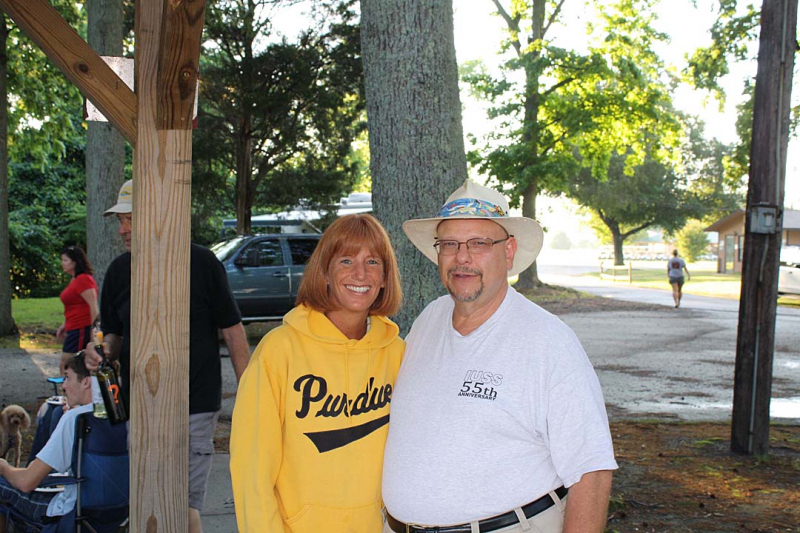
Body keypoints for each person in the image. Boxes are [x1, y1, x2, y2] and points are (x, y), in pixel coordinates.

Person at [382, 179, 618, 533]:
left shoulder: (548, 341)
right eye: (450, 244)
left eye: (479, 243)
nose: (462, 257)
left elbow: (592, 470)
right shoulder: (428, 320)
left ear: (508, 252)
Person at [84, 180, 251, 533]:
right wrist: (100, 353)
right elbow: (112, 334)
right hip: (141, 406)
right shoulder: (118, 271)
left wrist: (251, 395)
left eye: (130, 219)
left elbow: (233, 330)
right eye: (120, 221)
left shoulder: (202, 262)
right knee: (148, 498)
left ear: (156, 216)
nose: (122, 229)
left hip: (196, 404)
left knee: (185, 506)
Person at [230, 214, 404, 533]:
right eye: (346, 260)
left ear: (384, 278)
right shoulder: (278, 351)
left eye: (373, 262)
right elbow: (251, 469)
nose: (360, 273)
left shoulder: (398, 354)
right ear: (324, 272)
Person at [0, 353, 95, 533]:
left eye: (67, 378)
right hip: (109, 512)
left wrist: (4, 466)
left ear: (86, 382)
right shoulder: (119, 415)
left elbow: (27, 482)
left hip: (66, 512)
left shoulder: (75, 418)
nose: (63, 386)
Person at [56, 246, 98, 374]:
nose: (62, 263)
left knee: (68, 363)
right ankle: (71, 390)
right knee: (69, 364)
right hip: (73, 326)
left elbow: (93, 306)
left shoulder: (84, 279)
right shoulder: (74, 280)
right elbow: (74, 306)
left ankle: (71, 391)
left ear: (75, 262)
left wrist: (93, 330)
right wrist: (65, 325)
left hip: (81, 328)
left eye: (65, 260)